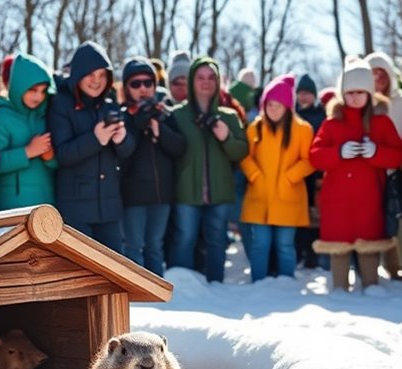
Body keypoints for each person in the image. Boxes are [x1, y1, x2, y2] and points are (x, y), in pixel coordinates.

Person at [309, 60, 402, 291]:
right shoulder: (332, 123)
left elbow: (398, 155)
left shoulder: (381, 122)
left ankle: (371, 290)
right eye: (349, 92)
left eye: (359, 92)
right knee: (338, 250)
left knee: (369, 248)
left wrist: (376, 152)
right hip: (337, 201)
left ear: (369, 93)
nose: (354, 98)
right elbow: (315, 156)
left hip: (369, 198)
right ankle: (340, 291)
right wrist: (338, 153)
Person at [49, 41, 135, 253]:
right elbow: (63, 155)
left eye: (102, 75)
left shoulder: (110, 104)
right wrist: (96, 139)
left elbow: (127, 153)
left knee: (115, 271)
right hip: (76, 209)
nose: (96, 81)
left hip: (109, 207)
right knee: (83, 273)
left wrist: (122, 139)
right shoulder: (61, 104)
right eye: (90, 75)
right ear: (78, 74)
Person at [170, 55, 249, 283]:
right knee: (185, 238)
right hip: (186, 192)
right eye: (200, 77)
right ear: (192, 81)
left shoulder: (230, 116)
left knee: (216, 240)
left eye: (211, 77)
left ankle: (216, 285)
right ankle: (180, 285)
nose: (206, 82)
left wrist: (226, 137)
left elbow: (241, 152)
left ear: (218, 82)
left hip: (220, 192)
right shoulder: (177, 115)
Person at [239, 74, 313, 281]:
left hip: (288, 196)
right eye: (269, 104)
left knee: (285, 245)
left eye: (278, 105)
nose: (273, 109)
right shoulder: (255, 128)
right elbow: (245, 157)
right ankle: (258, 282)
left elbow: (309, 160)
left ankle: (286, 283)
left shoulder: (302, 129)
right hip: (260, 196)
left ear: (288, 106)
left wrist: (290, 177)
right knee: (260, 244)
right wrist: (255, 175)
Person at [118, 57, 186, 276]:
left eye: (148, 82)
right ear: (126, 87)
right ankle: (135, 300)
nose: (143, 89)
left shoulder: (165, 112)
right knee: (133, 246)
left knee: (155, 247)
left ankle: (158, 300)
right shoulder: (121, 115)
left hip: (161, 195)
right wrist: (137, 126)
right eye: (136, 84)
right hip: (133, 197)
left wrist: (160, 129)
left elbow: (180, 147)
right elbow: (122, 154)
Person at [365, 52, 402, 281]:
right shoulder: (360, 103)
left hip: (397, 170)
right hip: (367, 170)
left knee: (398, 220)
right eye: (372, 74)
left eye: (382, 74)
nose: (378, 79)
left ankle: (398, 265)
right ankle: (370, 266)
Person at [0, 53, 57, 210]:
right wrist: (28, 152)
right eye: (32, 90)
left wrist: (51, 157)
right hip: (13, 208)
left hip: (46, 204)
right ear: (19, 86)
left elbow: (58, 162)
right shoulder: (1, 117)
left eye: (43, 91)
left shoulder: (45, 115)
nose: (38, 96)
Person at [293, 73, 326, 270]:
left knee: (314, 217)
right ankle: (299, 251)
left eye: (307, 93)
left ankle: (313, 255)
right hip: (297, 173)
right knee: (298, 215)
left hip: (315, 174)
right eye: (300, 93)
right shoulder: (292, 115)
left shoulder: (321, 116)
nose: (303, 97)